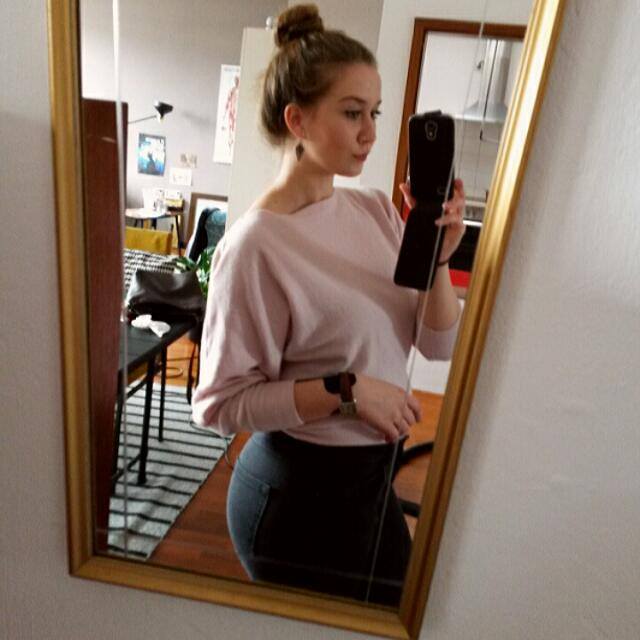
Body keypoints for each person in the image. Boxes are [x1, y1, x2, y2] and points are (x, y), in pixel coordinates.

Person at [192, 3, 465, 606]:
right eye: (351, 112)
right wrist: (348, 390)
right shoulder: (255, 246)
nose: (371, 133)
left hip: (371, 484)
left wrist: (440, 259)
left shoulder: (374, 210)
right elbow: (218, 406)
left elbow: (438, 344)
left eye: (375, 113)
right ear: (298, 119)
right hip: (298, 497)